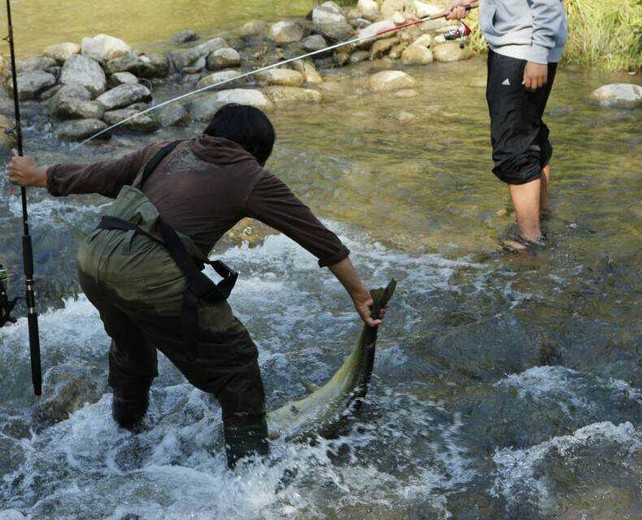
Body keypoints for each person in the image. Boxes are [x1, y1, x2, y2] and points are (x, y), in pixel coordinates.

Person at [5, 104, 386, 468]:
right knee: (237, 370)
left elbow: (98, 174)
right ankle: (250, 478)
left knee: (132, 350)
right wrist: (360, 295)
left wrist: (37, 174)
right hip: (148, 272)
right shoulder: (250, 176)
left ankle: (122, 433)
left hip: (94, 257)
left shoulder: (164, 149)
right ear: (257, 152)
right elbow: (317, 237)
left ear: (211, 131)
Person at [446, 0, 567, 250]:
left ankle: (529, 240)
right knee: (529, 134)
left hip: (523, 51)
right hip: (517, 48)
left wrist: (538, 53)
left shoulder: (531, 51)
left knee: (513, 144)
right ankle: (540, 218)